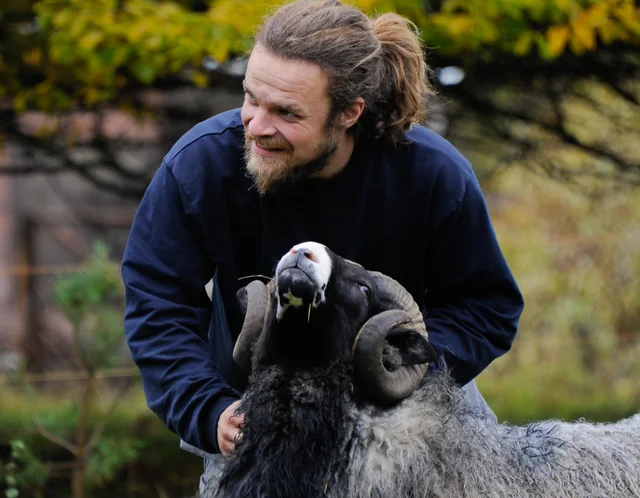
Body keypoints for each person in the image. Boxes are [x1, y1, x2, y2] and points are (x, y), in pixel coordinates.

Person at [122, 0, 524, 493]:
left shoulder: (434, 175)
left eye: (286, 112)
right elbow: (157, 302)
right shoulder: (199, 167)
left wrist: (401, 374)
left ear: (349, 112)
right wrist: (208, 409)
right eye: (251, 98)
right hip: (252, 401)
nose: (256, 125)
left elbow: (486, 306)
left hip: (407, 394)